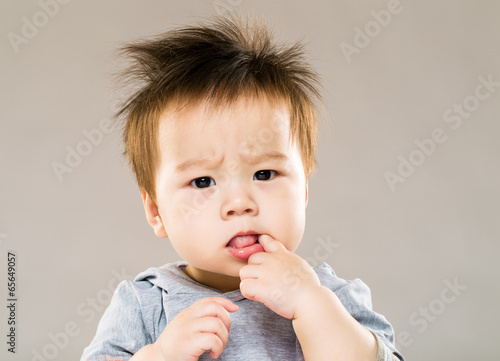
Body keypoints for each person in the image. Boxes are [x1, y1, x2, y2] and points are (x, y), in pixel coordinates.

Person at [81, 14, 404, 361]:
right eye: (203, 181)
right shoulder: (145, 305)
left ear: (304, 191)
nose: (239, 203)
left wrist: (312, 305)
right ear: (156, 211)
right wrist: (160, 355)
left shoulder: (331, 295)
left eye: (264, 174)